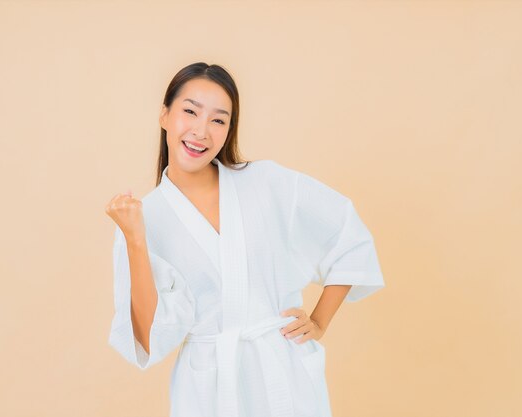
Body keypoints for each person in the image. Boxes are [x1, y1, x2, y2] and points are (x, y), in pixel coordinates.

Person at [104, 62, 385, 417]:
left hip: (282, 370)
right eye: (190, 111)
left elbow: (346, 232)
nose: (201, 131)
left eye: (218, 120)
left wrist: (319, 320)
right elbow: (147, 337)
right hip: (209, 390)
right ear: (164, 115)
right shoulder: (141, 219)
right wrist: (135, 240)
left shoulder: (264, 183)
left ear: (229, 130)